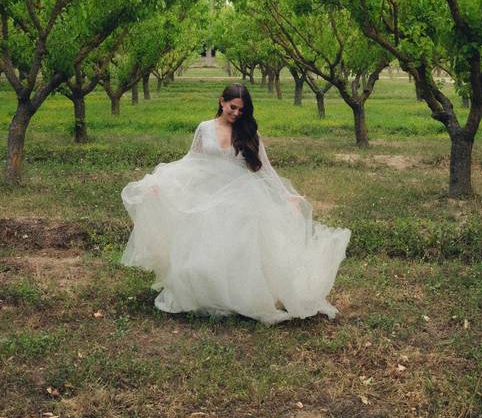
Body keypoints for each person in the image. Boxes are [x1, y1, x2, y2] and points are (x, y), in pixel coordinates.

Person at [120, 83, 351, 324]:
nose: (237, 114)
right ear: (222, 101)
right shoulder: (204, 128)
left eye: (242, 110)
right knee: (202, 244)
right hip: (207, 194)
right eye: (233, 108)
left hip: (240, 194)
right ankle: (205, 292)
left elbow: (265, 167)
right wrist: (161, 181)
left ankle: (237, 295)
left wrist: (285, 195)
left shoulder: (248, 132)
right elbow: (191, 161)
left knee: (237, 247)